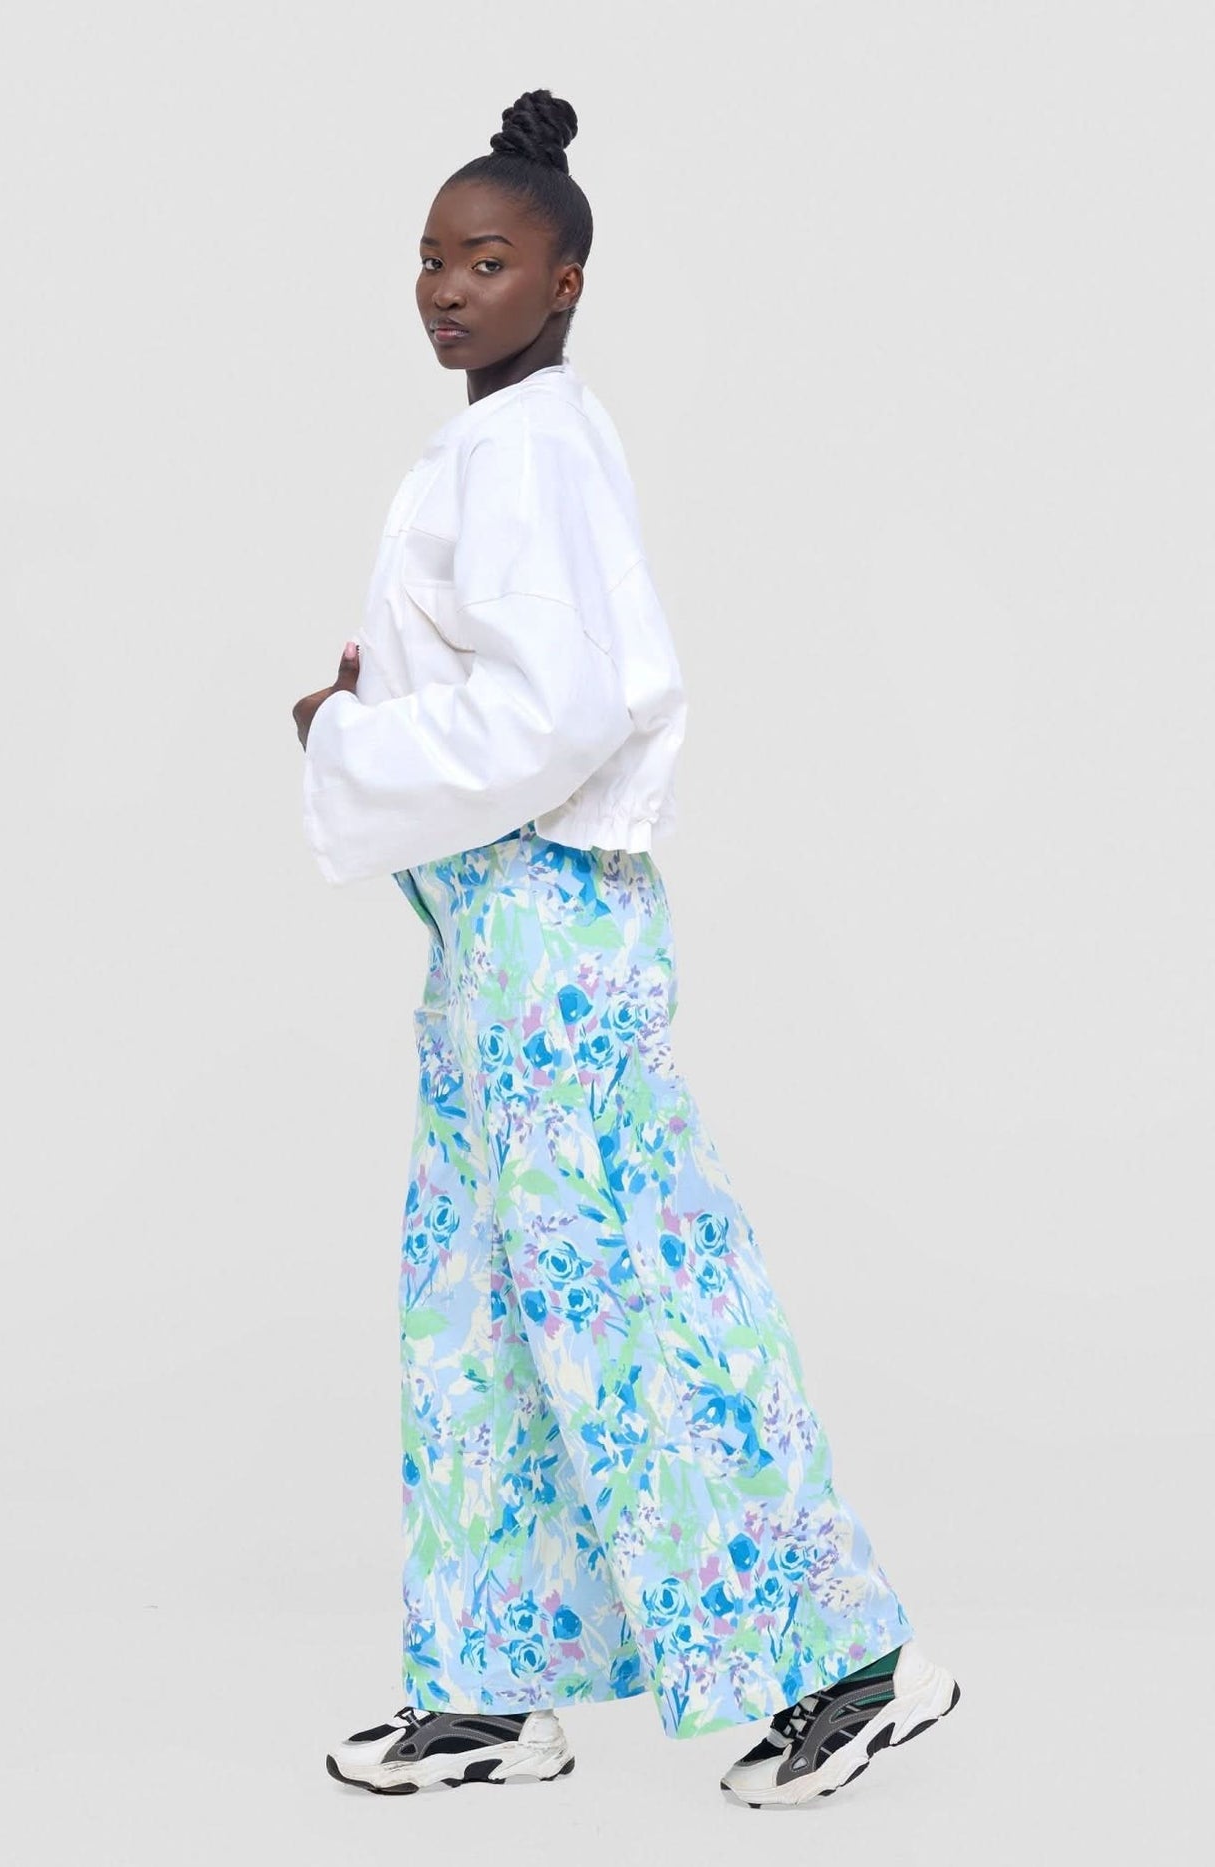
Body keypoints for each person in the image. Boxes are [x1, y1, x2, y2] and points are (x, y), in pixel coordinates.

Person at [294, 88, 960, 1809]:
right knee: (479, 1300)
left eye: (487, 260)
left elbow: (563, 711)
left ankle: (848, 1657)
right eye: (431, 259)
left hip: (548, 919)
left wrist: (349, 744)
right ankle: (490, 1686)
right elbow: (520, 688)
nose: (448, 289)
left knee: (636, 1291)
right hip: (499, 927)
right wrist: (385, 711)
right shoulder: (507, 444)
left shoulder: (525, 451)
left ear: (566, 281)